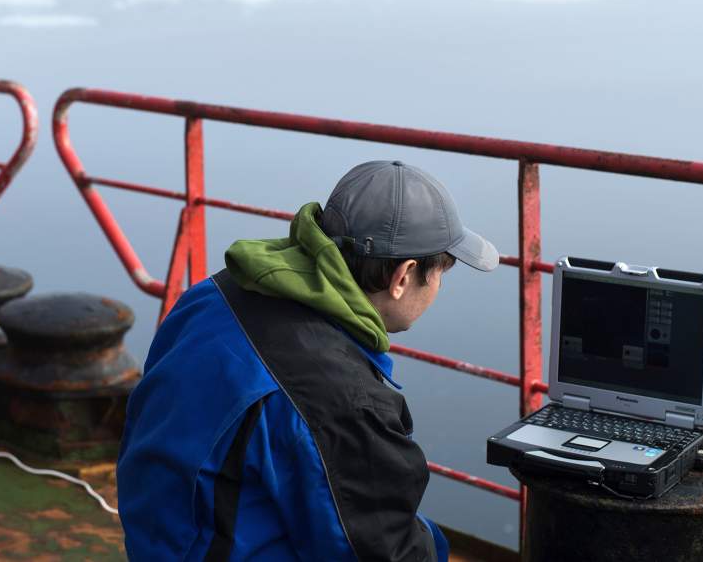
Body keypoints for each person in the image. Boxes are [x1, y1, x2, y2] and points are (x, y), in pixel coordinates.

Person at [117, 160, 499, 561]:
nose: (439, 287)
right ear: (403, 277)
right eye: (442, 272)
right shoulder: (338, 397)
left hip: (161, 540)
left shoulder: (216, 292)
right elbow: (384, 551)